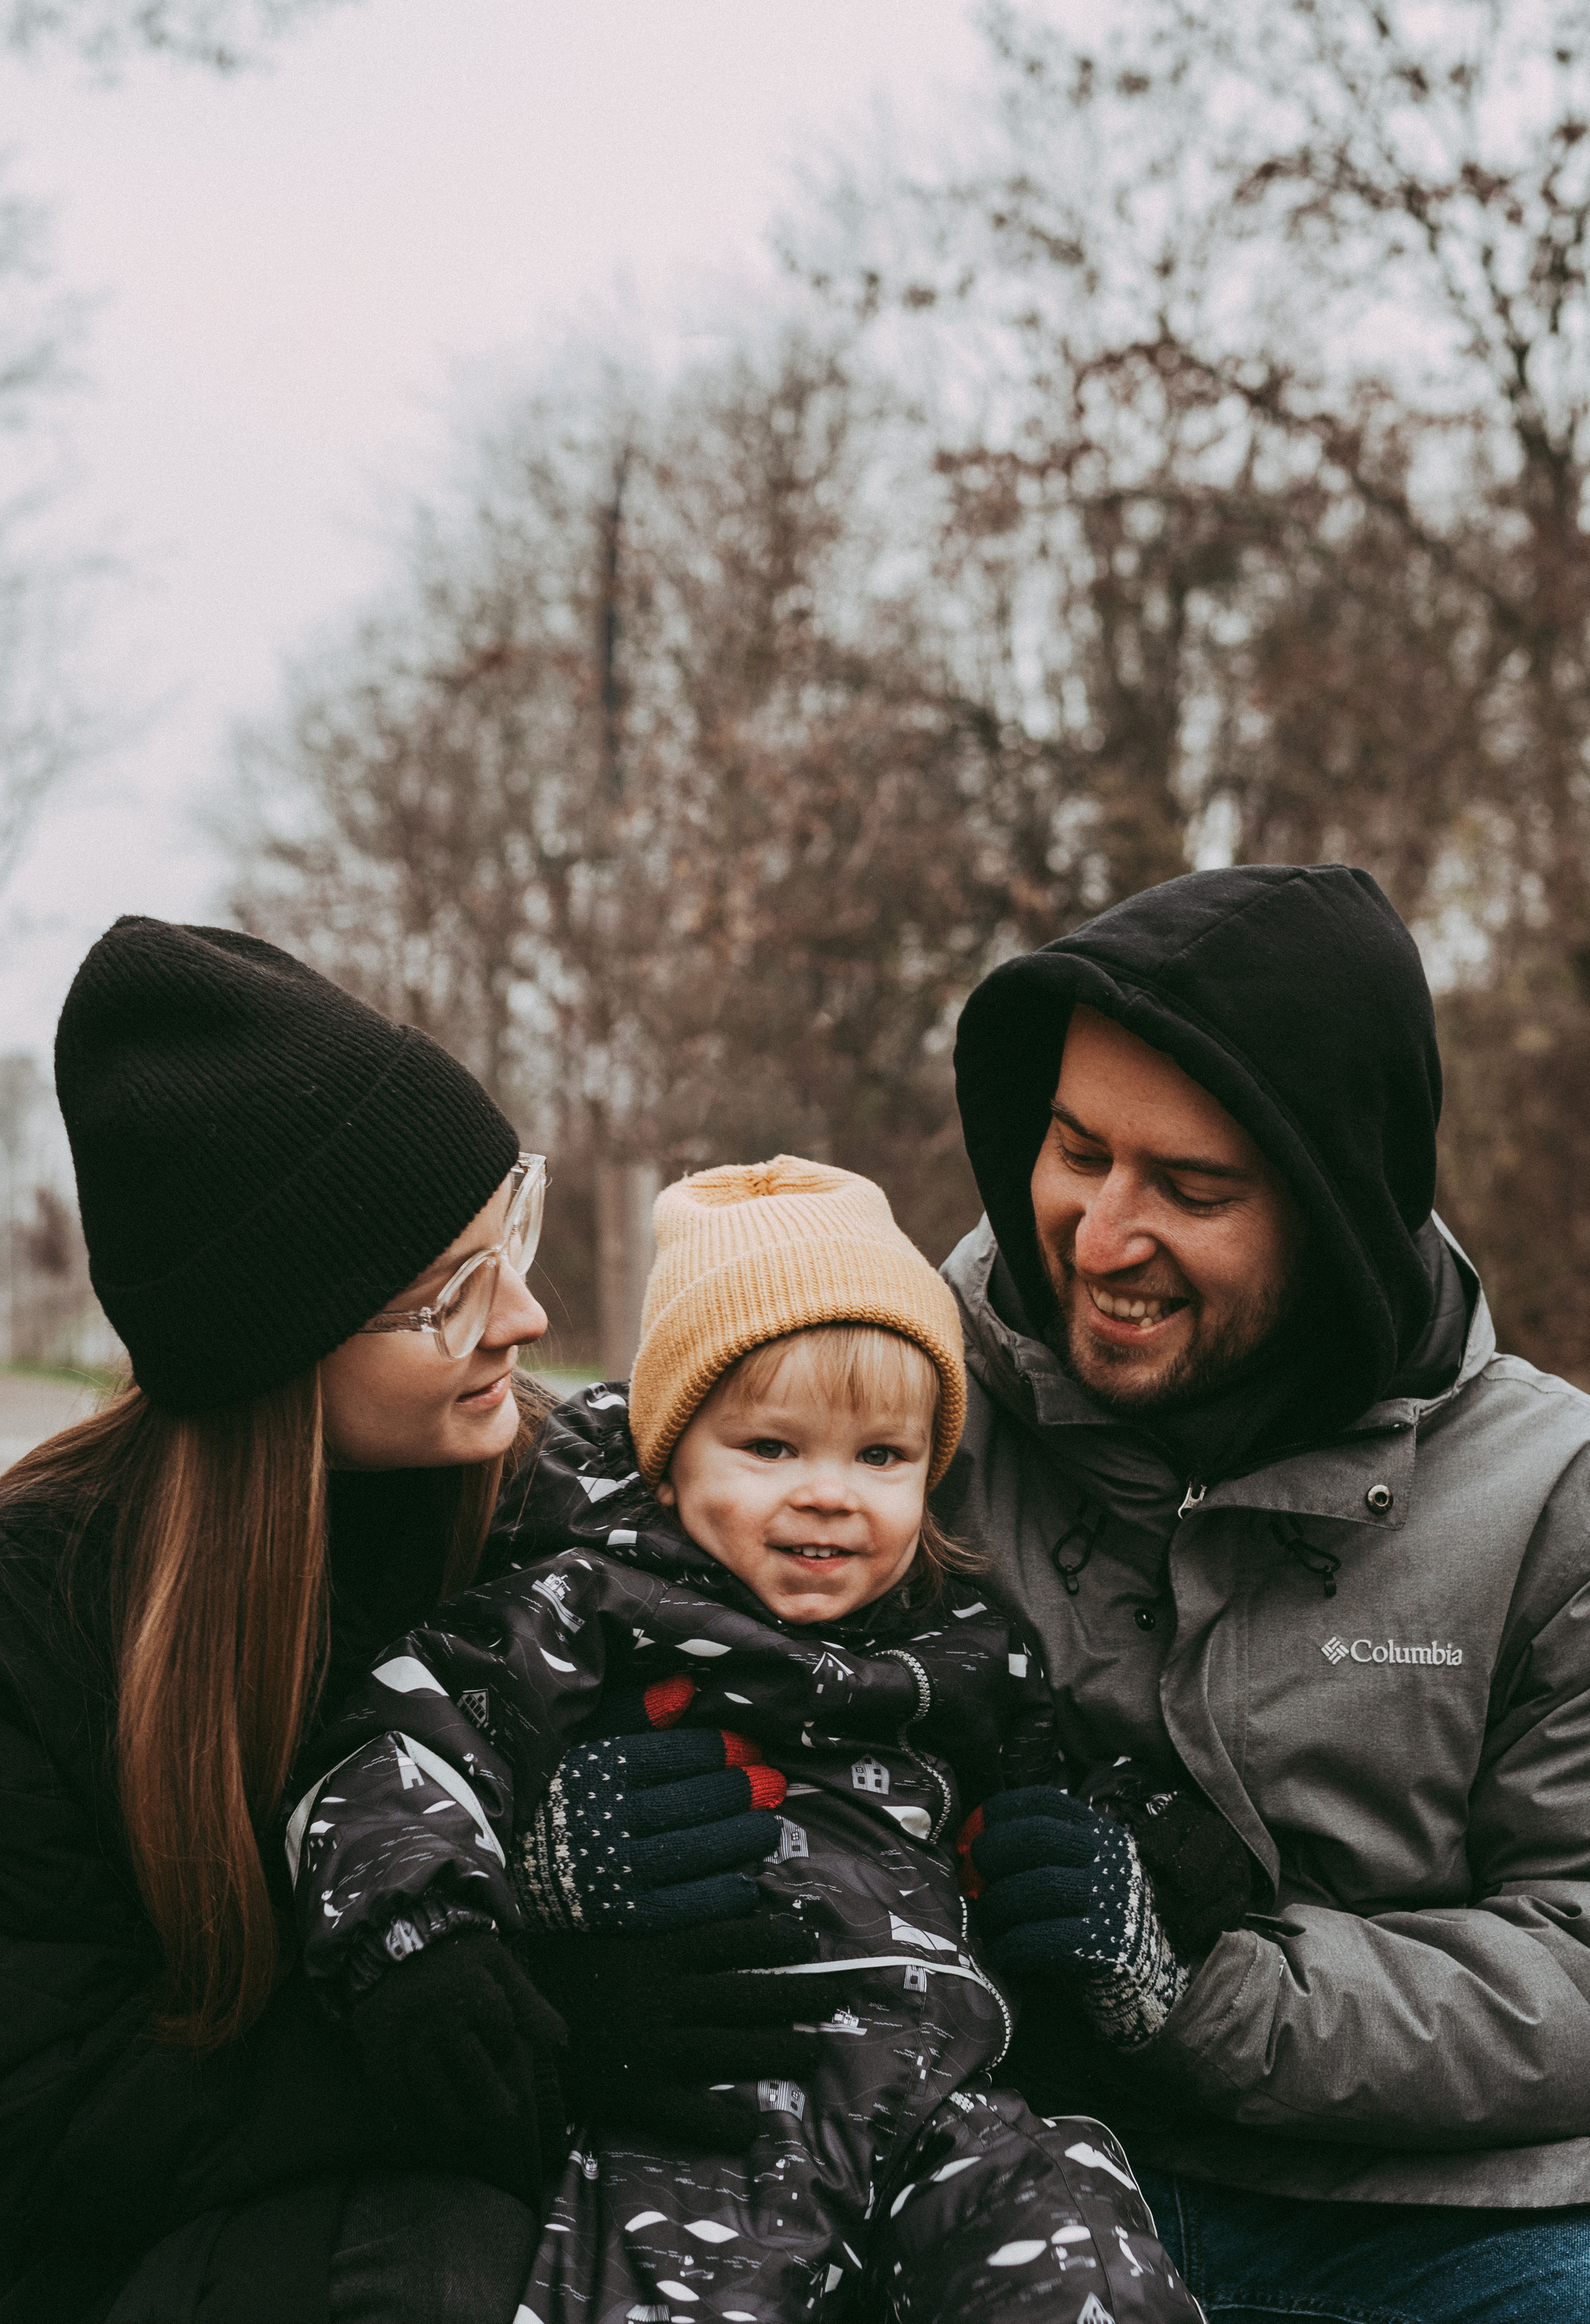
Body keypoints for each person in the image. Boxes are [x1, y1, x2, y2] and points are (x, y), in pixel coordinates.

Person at [0, 918, 832, 2324]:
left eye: (505, 1225)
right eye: (446, 1293)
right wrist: (518, 2030)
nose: (527, 1309)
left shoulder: (575, 1507)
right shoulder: (43, 1610)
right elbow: (53, 2109)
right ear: (276, 1345)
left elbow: (855, 1652)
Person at [289, 1156, 1206, 2324]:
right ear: (673, 1460)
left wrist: (1136, 1891)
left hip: (947, 2098)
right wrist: (428, 1927)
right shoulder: (590, 1606)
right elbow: (397, 1747)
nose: (830, 1494)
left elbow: (1061, 1805)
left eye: (881, 1456)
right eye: (770, 1449)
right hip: (712, 2109)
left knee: (1087, 2261)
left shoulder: (971, 1641)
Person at [932, 863, 1590, 2322]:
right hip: (996, 2155)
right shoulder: (904, 1399)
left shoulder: (1554, 1497)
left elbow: (1579, 1963)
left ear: (1337, 1214)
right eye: (1075, 1151)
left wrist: (1200, 1986)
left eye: (1191, 1188)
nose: (1103, 1238)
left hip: (1433, 2220)